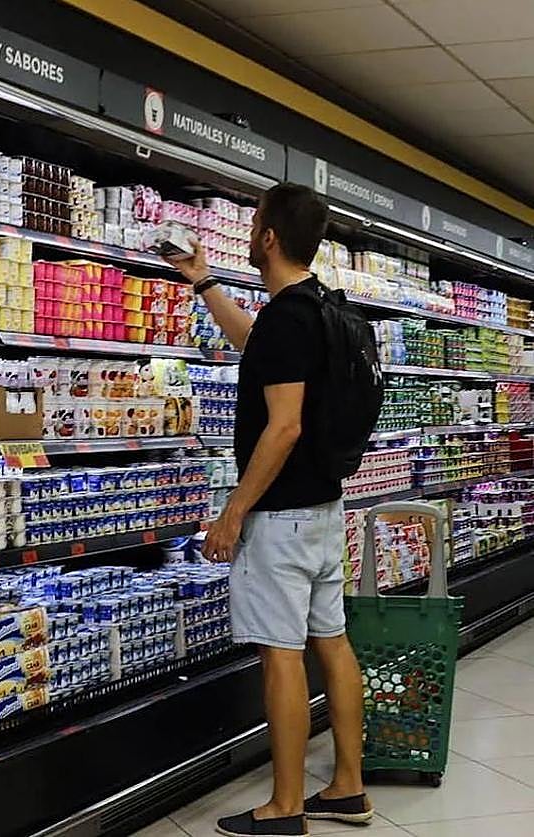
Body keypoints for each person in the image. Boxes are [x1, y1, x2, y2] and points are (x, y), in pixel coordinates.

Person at [166, 183, 373, 837]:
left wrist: (232, 511)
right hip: (322, 509)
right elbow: (256, 346)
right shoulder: (321, 308)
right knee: (332, 643)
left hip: (280, 520)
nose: (250, 230)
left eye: (254, 221)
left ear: (268, 239)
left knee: (280, 654)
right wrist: (202, 282)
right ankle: (346, 787)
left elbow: (280, 427)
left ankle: (285, 807)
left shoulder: (290, 316)